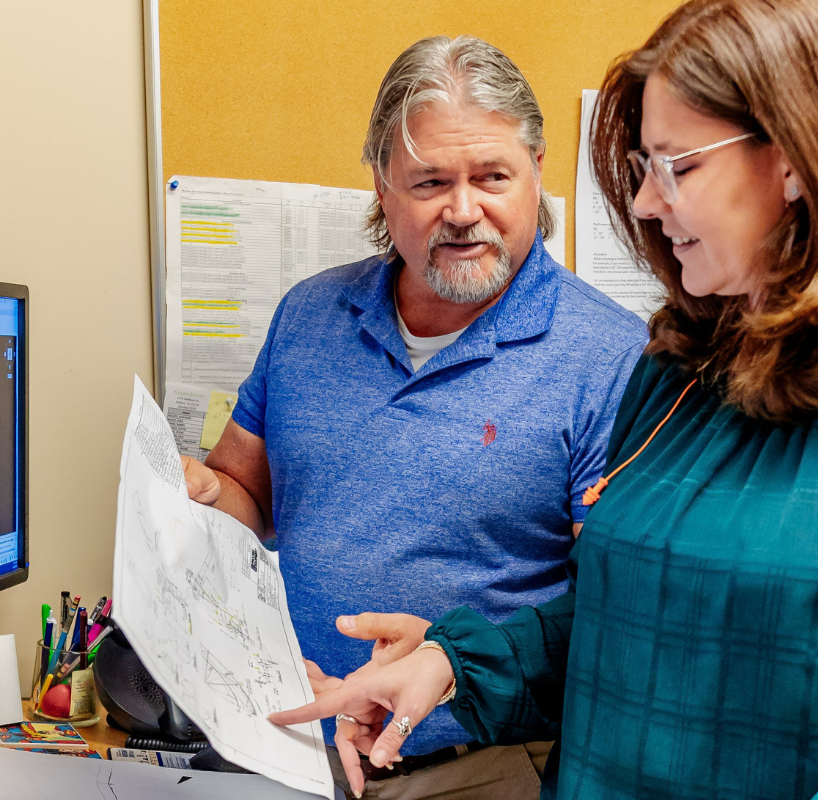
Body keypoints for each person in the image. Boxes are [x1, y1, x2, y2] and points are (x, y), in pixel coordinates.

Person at [270, 1, 818, 799]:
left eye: (678, 166)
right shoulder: (676, 372)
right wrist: (453, 662)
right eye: (644, 168)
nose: (647, 204)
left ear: (798, 161)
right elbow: (618, 621)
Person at [181, 34, 647, 800]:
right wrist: (205, 495)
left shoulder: (612, 359)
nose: (465, 211)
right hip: (288, 748)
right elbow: (249, 495)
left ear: (537, 173)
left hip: (477, 769)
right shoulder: (308, 315)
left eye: (493, 176)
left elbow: (615, 607)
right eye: (430, 181)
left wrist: (455, 665)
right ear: (381, 187)